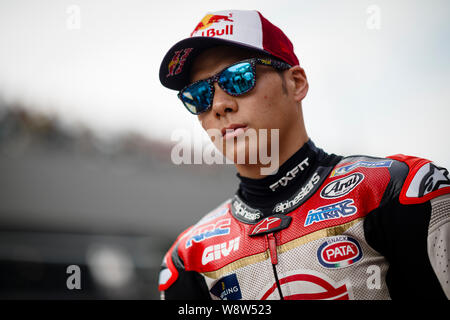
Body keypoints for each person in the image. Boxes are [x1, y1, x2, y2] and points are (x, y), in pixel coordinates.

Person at [157, 9, 449, 300]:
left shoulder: (398, 190)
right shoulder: (188, 258)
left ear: (296, 83)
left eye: (239, 77)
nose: (219, 104)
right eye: (198, 95)